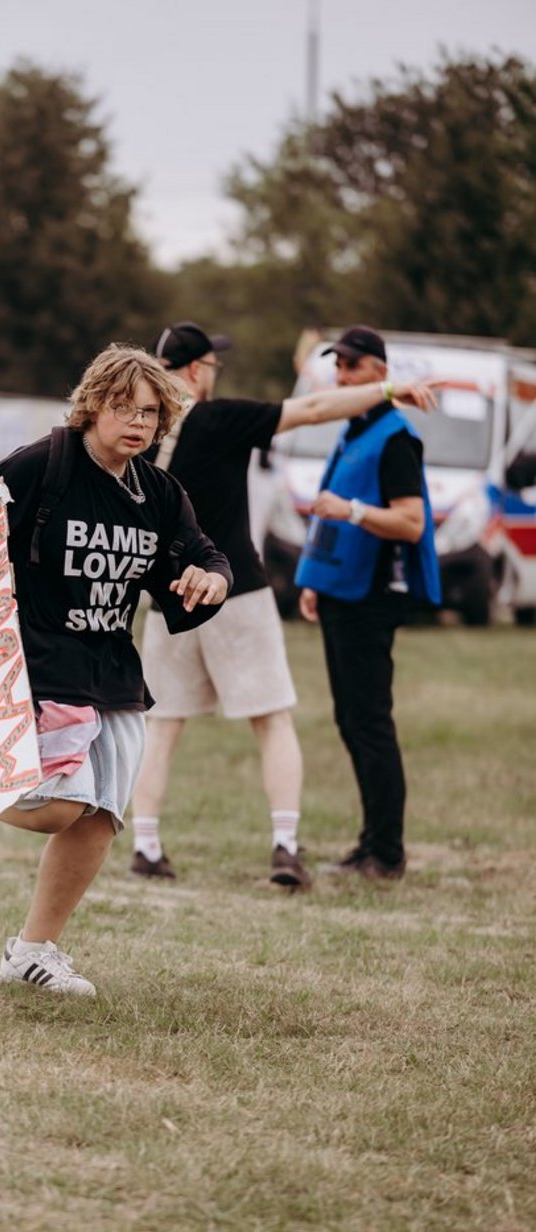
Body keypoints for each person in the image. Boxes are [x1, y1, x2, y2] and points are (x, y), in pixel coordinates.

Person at [0, 344, 231, 997]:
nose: (137, 422)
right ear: (93, 405)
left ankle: (31, 949)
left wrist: (210, 578)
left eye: (150, 412)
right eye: (122, 407)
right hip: (38, 655)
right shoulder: (47, 464)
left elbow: (202, 553)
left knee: (101, 815)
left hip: (110, 665)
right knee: (60, 805)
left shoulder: (158, 491)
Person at [130, 320, 437, 890]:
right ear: (196, 371)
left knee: (161, 724)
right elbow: (315, 409)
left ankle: (146, 845)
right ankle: (285, 844)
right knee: (271, 721)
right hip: (233, 588)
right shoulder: (219, 418)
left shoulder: (141, 434)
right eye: (212, 365)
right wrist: (387, 391)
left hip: (166, 599)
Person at [296, 325, 441, 881]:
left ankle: (387, 852)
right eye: (339, 366)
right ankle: (370, 843)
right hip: (340, 592)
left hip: (373, 598)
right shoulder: (357, 427)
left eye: (353, 366)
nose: (343, 375)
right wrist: (314, 580)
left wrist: (352, 511)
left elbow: (410, 521)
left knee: (370, 722)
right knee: (351, 719)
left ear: (381, 372)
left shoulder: (395, 435)